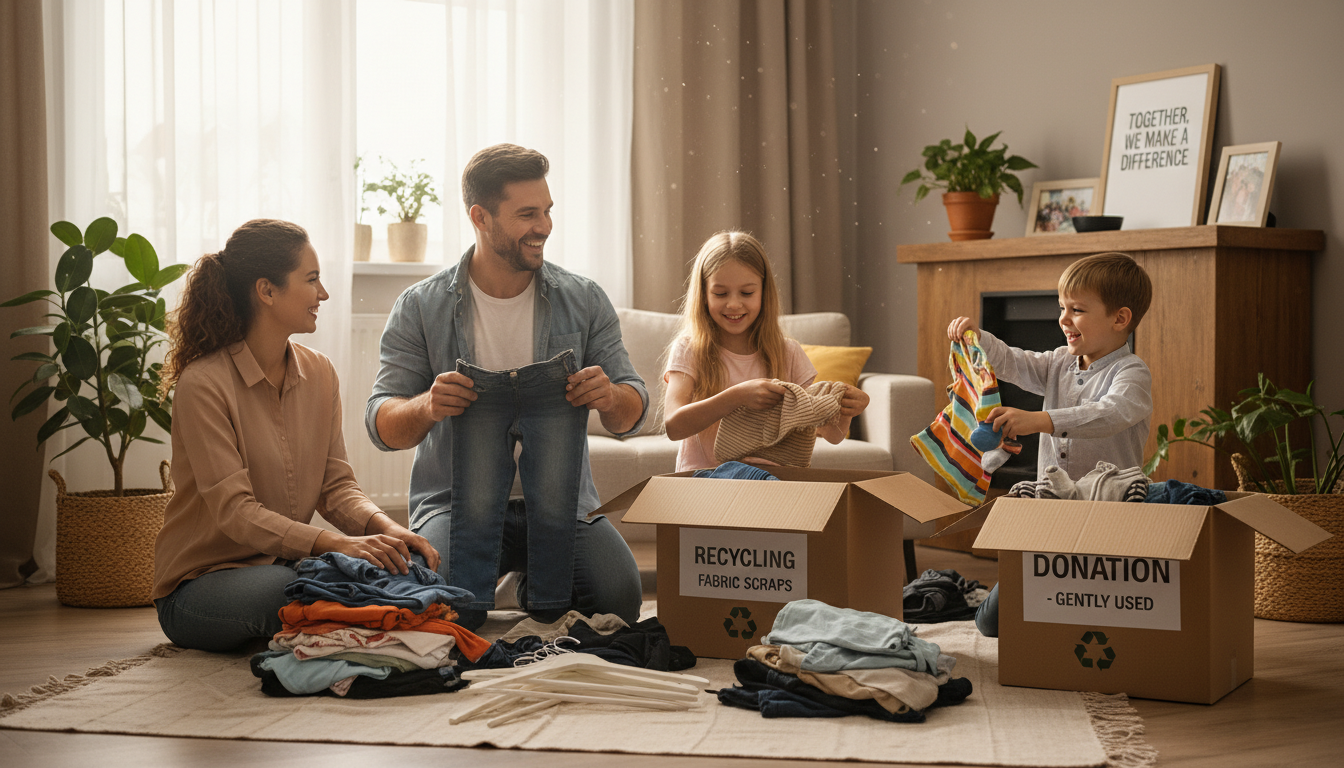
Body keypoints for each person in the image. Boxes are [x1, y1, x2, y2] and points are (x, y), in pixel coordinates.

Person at [365, 143, 645, 630]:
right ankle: (519, 577)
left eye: (548, 211)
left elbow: (633, 412)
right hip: (453, 501)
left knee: (618, 599)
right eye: (527, 214)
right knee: (443, 609)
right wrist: (427, 406)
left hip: (563, 505)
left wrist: (610, 396)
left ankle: (530, 580)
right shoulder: (419, 307)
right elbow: (381, 425)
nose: (545, 227)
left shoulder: (584, 299)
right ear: (480, 216)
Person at [153, 219, 438, 652]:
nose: (323, 294)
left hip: (289, 567)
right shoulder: (203, 383)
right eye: (312, 279)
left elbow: (337, 487)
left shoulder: (320, 372)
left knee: (407, 566)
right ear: (266, 291)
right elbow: (236, 512)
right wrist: (338, 545)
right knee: (299, 587)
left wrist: (387, 531)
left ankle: (369, 633)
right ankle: (372, 631)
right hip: (199, 587)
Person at [946, 251, 1153, 637]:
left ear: (1120, 318)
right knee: (990, 623)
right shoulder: (1060, 362)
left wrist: (1041, 420)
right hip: (1051, 513)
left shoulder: (1131, 373)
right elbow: (1011, 362)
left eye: (1076, 309)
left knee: (1094, 610)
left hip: (1109, 518)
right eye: (1061, 308)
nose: (1063, 319)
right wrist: (977, 337)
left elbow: (1112, 412)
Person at [662, 231, 870, 472]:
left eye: (747, 293)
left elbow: (830, 435)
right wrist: (736, 396)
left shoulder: (788, 352)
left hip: (771, 483)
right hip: (706, 481)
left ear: (764, 292)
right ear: (703, 295)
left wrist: (846, 411)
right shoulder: (690, 349)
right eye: (720, 293)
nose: (733, 304)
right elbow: (673, 426)